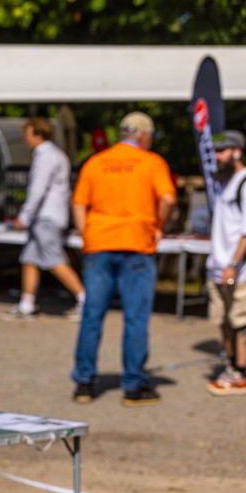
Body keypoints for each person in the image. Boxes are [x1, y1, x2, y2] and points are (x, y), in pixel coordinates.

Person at [70, 111, 176, 406]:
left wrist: (87, 235)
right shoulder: (152, 162)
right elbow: (168, 198)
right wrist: (159, 226)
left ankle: (84, 384)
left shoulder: (96, 162)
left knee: (92, 315)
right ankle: (133, 385)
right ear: (143, 136)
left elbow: (78, 203)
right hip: (137, 244)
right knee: (135, 317)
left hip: (99, 245)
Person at [3, 117, 85, 321]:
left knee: (54, 261)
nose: (25, 138)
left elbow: (37, 189)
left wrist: (24, 216)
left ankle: (85, 300)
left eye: (27, 134)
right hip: (47, 216)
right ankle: (27, 304)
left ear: (37, 135)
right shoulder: (54, 154)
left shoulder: (46, 156)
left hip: (46, 217)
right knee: (29, 259)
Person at [204, 130, 246, 396]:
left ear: (237, 152)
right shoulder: (223, 183)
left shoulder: (244, 183)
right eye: (215, 151)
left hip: (238, 270)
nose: (217, 156)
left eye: (222, 151)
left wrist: (233, 263)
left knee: (241, 321)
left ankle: (242, 373)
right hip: (217, 267)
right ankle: (231, 366)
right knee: (223, 320)